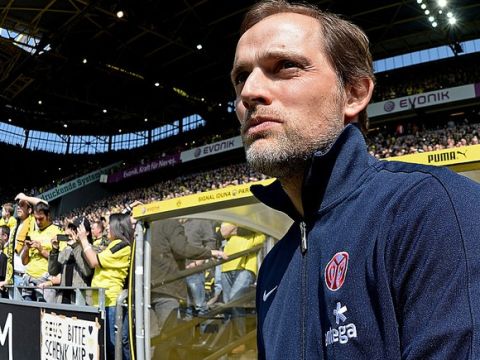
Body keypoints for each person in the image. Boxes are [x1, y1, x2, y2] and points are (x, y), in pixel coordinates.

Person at [232, 1, 480, 359]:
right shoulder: (273, 265)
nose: (249, 92)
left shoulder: (433, 209)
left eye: (285, 66)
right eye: (241, 77)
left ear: (354, 94)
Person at [149, 219, 227, 358]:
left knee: (154, 336)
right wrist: (211, 253)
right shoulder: (172, 223)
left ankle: (201, 340)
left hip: (155, 285)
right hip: (168, 285)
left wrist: (200, 261)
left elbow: (207, 240)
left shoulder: (152, 224)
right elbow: (181, 248)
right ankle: (195, 343)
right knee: (166, 335)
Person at [77, 213, 132, 360]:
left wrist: (83, 240)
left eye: (110, 225)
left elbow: (94, 261)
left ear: (118, 227)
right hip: (103, 301)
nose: (107, 228)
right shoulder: (113, 245)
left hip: (111, 301)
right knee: (108, 345)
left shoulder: (121, 245)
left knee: (115, 346)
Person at [220, 222, 265, 353]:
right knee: (227, 307)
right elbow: (222, 231)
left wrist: (234, 229)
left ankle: (240, 341)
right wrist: (243, 229)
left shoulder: (252, 218)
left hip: (246, 267)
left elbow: (260, 237)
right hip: (226, 266)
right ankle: (230, 341)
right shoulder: (232, 216)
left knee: (235, 302)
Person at [19, 197, 63, 302]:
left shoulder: (57, 232)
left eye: (41, 218)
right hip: (28, 280)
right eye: (36, 218)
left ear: (48, 216)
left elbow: (61, 260)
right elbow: (24, 262)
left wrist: (41, 250)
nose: (38, 222)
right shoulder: (32, 233)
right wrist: (26, 248)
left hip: (45, 281)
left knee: (43, 315)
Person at [47, 217, 94, 304]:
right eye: (72, 229)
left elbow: (87, 271)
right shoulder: (67, 250)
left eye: (76, 230)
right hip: (63, 298)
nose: (73, 233)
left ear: (86, 233)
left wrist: (76, 246)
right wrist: (54, 250)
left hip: (80, 299)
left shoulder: (92, 250)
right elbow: (52, 271)